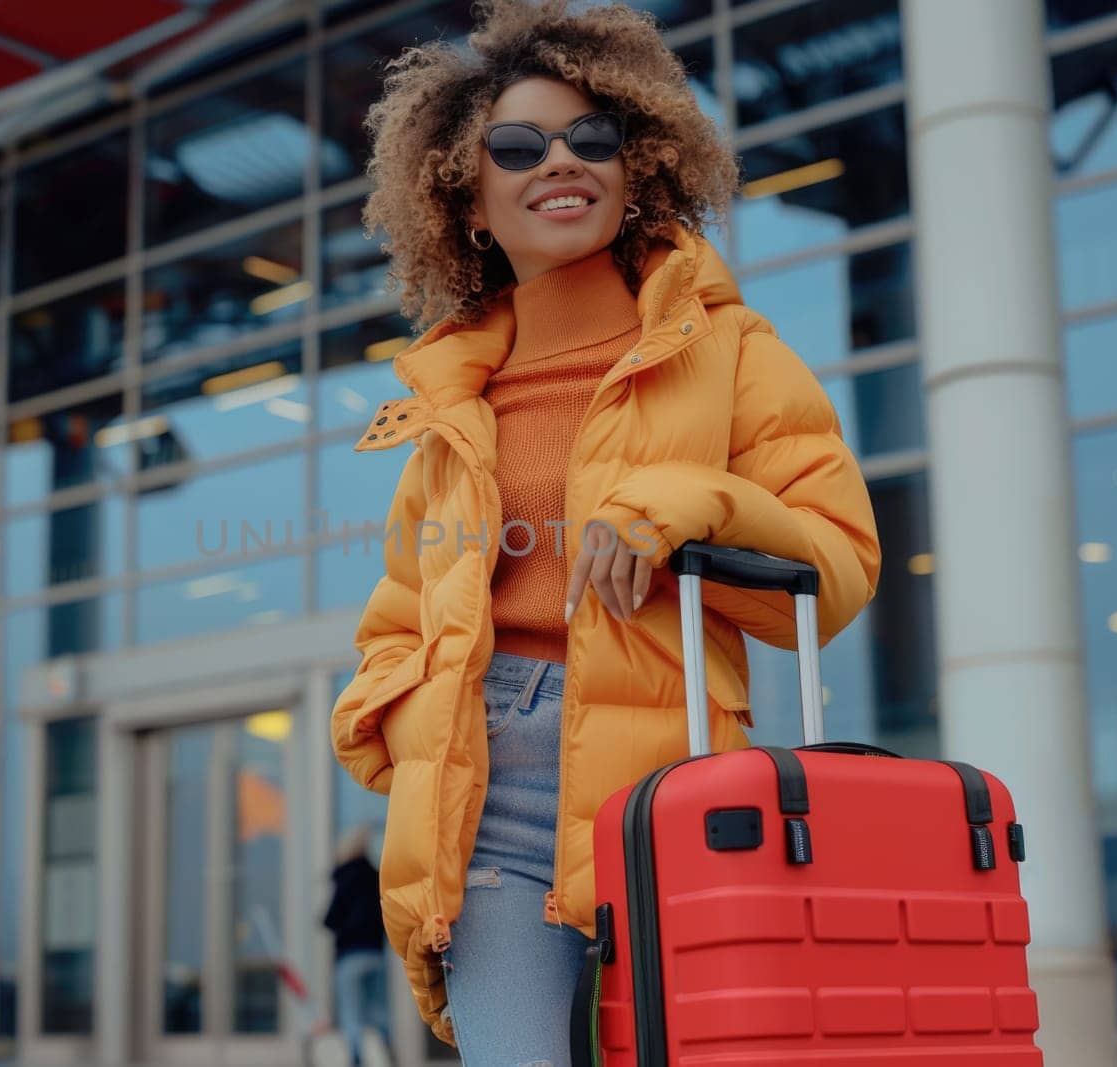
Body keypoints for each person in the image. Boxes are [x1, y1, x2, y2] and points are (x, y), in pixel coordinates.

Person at [328, 0, 882, 1061]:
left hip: (667, 783)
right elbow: (395, 620)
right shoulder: (454, 400)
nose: (560, 162)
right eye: (517, 146)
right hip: (488, 793)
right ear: (469, 200)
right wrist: (398, 722)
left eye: (593, 138)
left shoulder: (728, 350)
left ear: (637, 170)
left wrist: (686, 503)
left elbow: (840, 563)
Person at [323, 824, 392, 1063]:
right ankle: (388, 1055)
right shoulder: (376, 877)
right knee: (379, 1013)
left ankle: (357, 1060)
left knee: (352, 1016)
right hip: (376, 953)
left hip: (351, 956)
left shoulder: (345, 877)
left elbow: (331, 919)